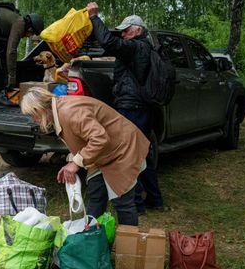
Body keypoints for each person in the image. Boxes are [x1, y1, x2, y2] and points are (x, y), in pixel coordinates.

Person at [20, 87, 149, 225]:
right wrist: (72, 160)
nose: (34, 119)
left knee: (122, 202)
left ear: (39, 109)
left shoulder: (70, 112)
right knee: (96, 194)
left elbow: (99, 139)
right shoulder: (59, 109)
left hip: (122, 148)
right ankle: (87, 236)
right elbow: (82, 138)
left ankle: (129, 244)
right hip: (103, 153)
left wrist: (76, 163)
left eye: (32, 115)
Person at [86, 2, 165, 213]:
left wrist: (94, 17)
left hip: (130, 108)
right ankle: (155, 199)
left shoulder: (135, 47)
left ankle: (136, 204)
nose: (123, 35)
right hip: (143, 107)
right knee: (143, 153)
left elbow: (108, 42)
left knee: (129, 155)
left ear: (138, 30)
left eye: (126, 30)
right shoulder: (146, 47)